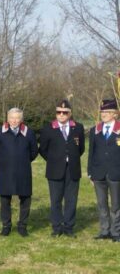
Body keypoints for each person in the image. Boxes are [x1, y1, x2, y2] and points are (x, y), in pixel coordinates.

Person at [38, 99, 85, 237]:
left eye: (65, 112)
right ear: (56, 113)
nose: (61, 115)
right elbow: (43, 149)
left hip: (73, 169)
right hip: (54, 170)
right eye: (59, 112)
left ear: (70, 114)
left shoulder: (78, 127)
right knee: (56, 200)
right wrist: (54, 160)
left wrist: (71, 159)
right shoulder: (48, 128)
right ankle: (57, 227)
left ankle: (69, 227)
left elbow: (80, 148)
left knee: (71, 200)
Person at [0, 107, 38, 237]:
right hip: (6, 171)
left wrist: (23, 161)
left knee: (25, 199)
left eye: (17, 118)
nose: (14, 120)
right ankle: (6, 226)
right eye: (12, 117)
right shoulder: (0, 132)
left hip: (24, 171)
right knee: (5, 200)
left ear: (21, 119)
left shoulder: (29, 133)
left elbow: (34, 152)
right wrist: (5, 162)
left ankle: (22, 226)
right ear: (8, 118)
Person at [87, 99, 120, 241]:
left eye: (106, 112)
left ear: (114, 114)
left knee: (116, 205)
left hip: (116, 173)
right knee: (101, 204)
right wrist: (90, 173)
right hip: (98, 173)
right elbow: (91, 153)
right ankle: (104, 230)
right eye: (102, 112)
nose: (103, 115)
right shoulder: (95, 130)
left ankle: (116, 232)